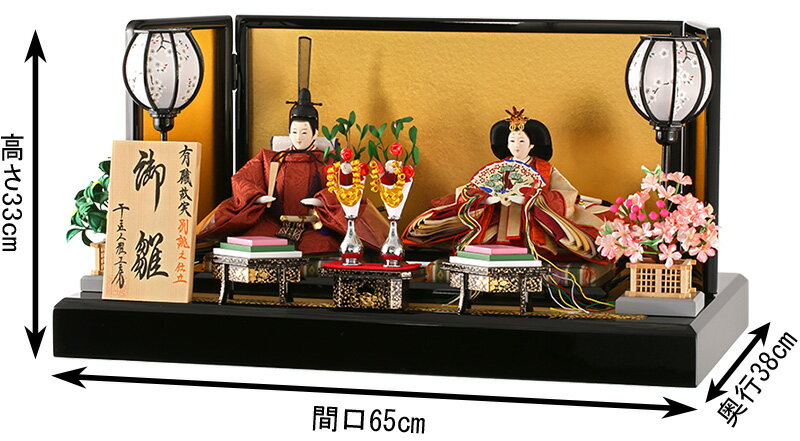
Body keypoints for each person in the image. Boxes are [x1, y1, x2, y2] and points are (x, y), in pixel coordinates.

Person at [402, 107, 610, 263]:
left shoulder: (545, 169)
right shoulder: (498, 168)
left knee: (582, 229)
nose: (516, 146)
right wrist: (488, 199)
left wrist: (531, 199)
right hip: (496, 220)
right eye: (512, 141)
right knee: (454, 227)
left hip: (531, 223)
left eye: (521, 141)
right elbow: (471, 190)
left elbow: (566, 194)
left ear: (532, 145)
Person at [197, 88, 388, 254]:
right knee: (250, 241)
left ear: (315, 134)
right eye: (294, 132)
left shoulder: (328, 161)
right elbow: (242, 179)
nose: (298, 137)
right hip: (274, 223)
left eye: (304, 132)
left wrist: (322, 200)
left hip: (313, 226)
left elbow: (345, 189)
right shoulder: (270, 159)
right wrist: (257, 197)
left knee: (323, 245)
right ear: (288, 133)